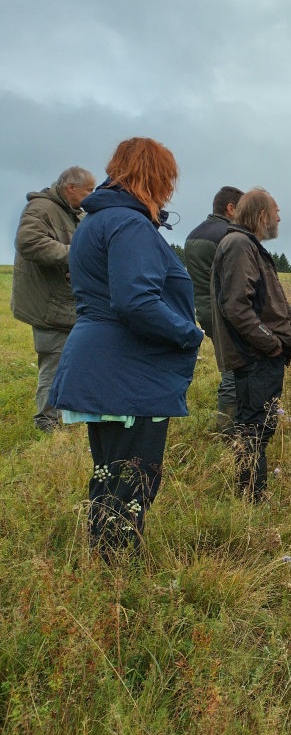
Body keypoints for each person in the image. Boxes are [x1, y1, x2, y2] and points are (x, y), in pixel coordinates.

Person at [49, 138, 202, 558]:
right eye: (167, 178)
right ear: (155, 176)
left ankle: (105, 567)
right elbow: (136, 301)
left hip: (104, 363)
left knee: (112, 472)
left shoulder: (98, 221)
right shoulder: (129, 225)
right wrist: (188, 333)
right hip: (127, 370)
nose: (169, 188)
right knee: (133, 477)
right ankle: (118, 573)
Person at [211, 188, 291, 501]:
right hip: (256, 356)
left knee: (257, 428)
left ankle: (251, 496)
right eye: (275, 211)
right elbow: (235, 305)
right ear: (262, 214)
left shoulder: (244, 244)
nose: (279, 217)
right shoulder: (238, 244)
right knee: (254, 428)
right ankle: (252, 499)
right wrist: (271, 343)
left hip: (258, 355)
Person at [11, 165, 96, 432]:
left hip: (62, 301)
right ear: (71, 188)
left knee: (67, 362)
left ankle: (63, 419)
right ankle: (47, 423)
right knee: (55, 362)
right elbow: (29, 242)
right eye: (88, 191)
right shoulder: (41, 208)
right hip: (48, 305)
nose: (91, 196)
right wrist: (75, 255)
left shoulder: (71, 212)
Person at [184, 185, 244, 428]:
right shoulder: (228, 235)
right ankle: (228, 425)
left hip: (204, 310)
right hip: (226, 312)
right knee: (234, 368)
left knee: (226, 364)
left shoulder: (194, 233)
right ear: (231, 209)